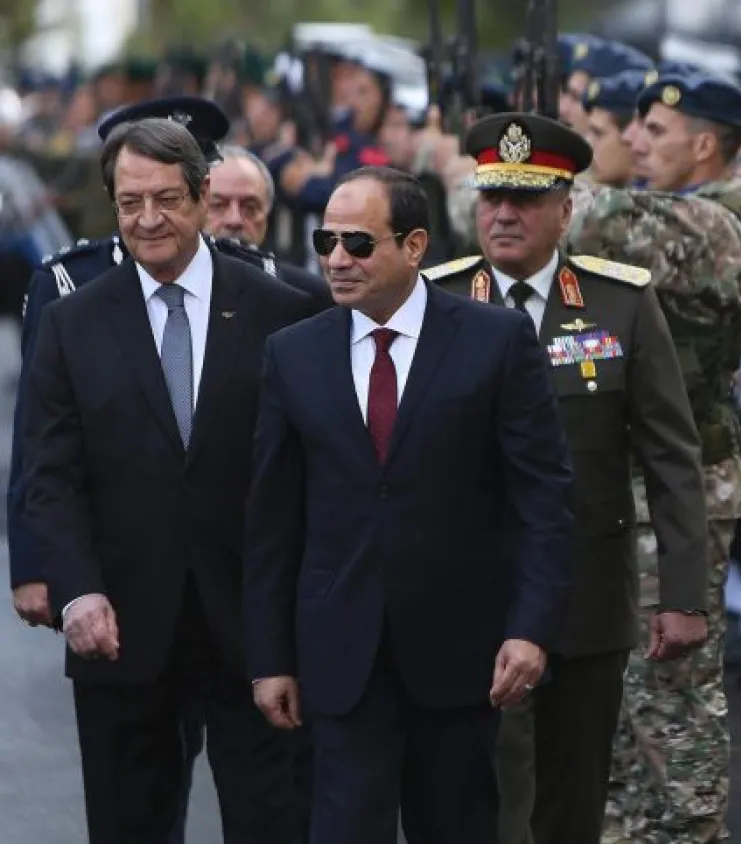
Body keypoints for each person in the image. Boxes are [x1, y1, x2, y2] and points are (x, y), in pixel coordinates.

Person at [242, 165, 575, 844]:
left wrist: (531, 628)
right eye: (325, 241)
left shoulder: (496, 340)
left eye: (358, 244)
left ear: (415, 246)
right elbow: (273, 519)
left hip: (461, 656)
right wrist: (270, 656)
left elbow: (542, 498)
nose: (336, 260)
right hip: (338, 656)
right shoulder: (293, 354)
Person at [21, 117, 317, 844]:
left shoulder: (285, 312)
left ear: (201, 194)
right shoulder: (72, 322)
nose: (147, 219)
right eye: (129, 203)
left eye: (165, 199)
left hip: (256, 630)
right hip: (120, 630)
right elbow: (48, 473)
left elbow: (313, 477)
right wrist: (75, 588)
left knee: (274, 822)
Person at [427, 110, 710, 844]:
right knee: (480, 800)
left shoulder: (619, 301)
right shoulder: (437, 302)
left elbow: (671, 454)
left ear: (567, 208)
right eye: (492, 197)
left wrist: (682, 594)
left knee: (572, 801)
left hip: (586, 595)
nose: (505, 214)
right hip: (468, 595)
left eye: (525, 199)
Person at [567, 70, 741, 844]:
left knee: (671, 693)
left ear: (706, 145)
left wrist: (548, 165)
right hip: (630, 479)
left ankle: (689, 831)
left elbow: (585, 221)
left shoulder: (721, 224)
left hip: (683, 491)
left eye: (655, 132)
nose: (634, 141)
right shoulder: (676, 211)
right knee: (624, 687)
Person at [204, 145, 333, 307]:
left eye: (250, 207)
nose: (234, 220)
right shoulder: (171, 291)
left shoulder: (310, 297)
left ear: (267, 213)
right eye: (218, 205)